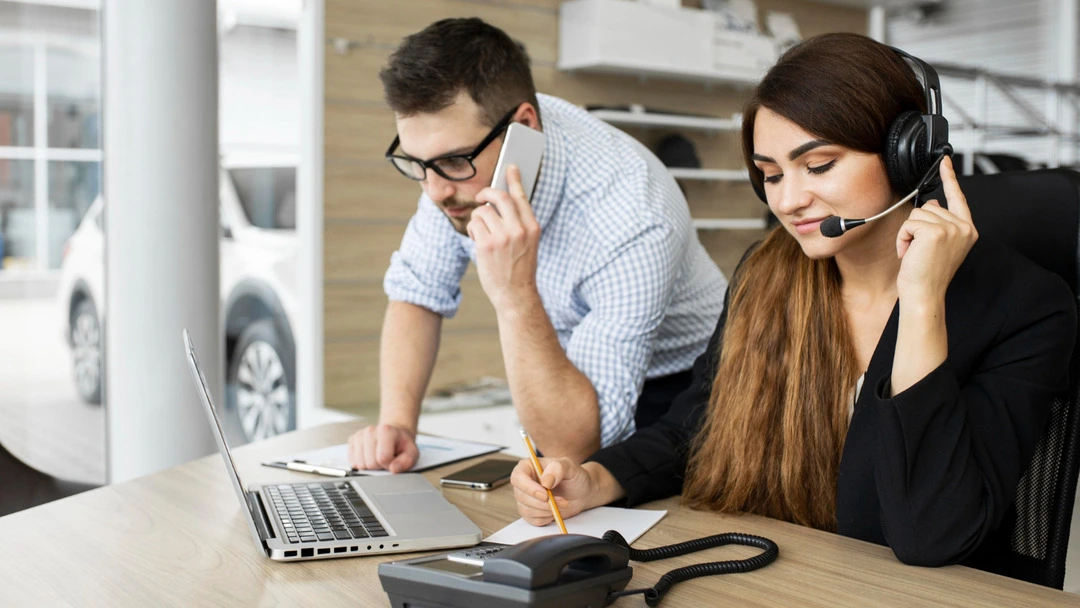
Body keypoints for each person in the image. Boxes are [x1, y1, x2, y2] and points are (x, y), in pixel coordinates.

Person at [510, 33, 1077, 575]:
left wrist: (922, 302)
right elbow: (698, 424)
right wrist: (596, 479)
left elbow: (932, 533)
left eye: (818, 165)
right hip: (786, 576)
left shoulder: (1026, 307)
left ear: (907, 153)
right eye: (770, 175)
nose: (788, 200)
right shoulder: (769, 274)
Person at [347, 18, 727, 471]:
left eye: (451, 160)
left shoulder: (632, 212)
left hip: (686, 384)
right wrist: (397, 424)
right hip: (569, 369)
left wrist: (514, 295)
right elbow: (417, 293)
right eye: (418, 163)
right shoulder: (456, 174)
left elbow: (575, 447)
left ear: (523, 128)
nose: (433, 191)